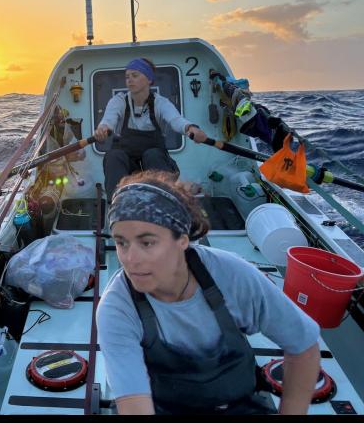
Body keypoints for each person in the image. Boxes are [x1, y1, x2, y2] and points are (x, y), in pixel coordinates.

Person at [96, 170, 321, 415]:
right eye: (121, 243)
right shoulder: (116, 309)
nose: (130, 259)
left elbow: (303, 345)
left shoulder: (234, 276)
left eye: (147, 242)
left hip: (240, 406)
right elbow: (134, 406)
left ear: (182, 240)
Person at [93, 58, 207, 202]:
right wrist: (103, 129)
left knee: (152, 154)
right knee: (114, 156)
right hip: (128, 165)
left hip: (154, 162)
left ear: (149, 79)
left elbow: (176, 120)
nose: (129, 80)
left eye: (135, 75)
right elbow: (108, 120)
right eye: (127, 77)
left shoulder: (161, 103)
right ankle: (119, 203)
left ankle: (163, 201)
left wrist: (191, 128)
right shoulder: (119, 101)